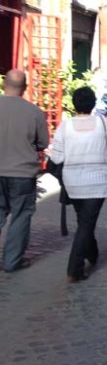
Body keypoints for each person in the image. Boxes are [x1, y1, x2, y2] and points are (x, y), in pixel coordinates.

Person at [50, 86, 107, 282]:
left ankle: (93, 253)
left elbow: (57, 157)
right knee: (87, 223)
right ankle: (74, 269)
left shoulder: (65, 126)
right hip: (97, 181)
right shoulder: (102, 122)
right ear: (93, 103)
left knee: (84, 221)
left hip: (72, 182)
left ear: (74, 104)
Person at [0, 69, 49, 271]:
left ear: (4, 84)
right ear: (25, 88)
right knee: (20, 216)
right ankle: (12, 261)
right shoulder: (34, 112)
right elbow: (43, 143)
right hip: (22, 173)